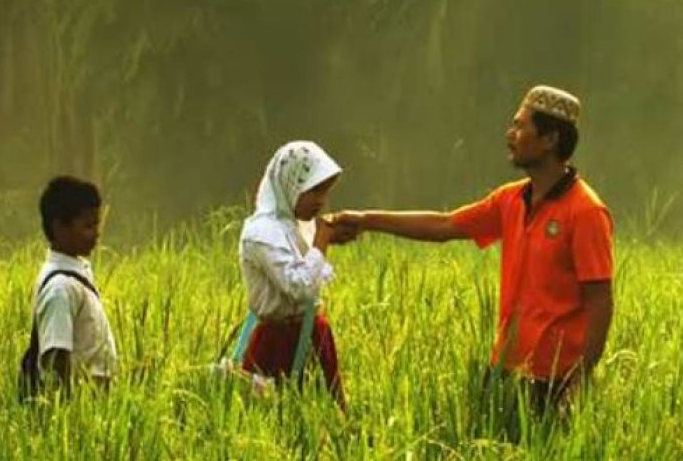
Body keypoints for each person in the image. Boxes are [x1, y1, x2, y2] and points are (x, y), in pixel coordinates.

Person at [333, 86, 614, 414]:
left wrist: (579, 381)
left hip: (555, 379)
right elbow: (443, 225)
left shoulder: (586, 212)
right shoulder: (510, 200)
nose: (510, 134)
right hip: (504, 370)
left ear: (550, 138)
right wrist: (366, 220)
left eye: (521, 126)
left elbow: (600, 302)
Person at [239, 141, 355, 410]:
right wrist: (324, 239)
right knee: (276, 417)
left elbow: (306, 262)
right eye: (314, 190)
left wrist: (330, 238)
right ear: (291, 185)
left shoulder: (292, 226)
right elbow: (299, 286)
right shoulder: (262, 234)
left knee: (328, 418)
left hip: (312, 333)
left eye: (325, 192)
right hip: (278, 342)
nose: (321, 200)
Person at [33, 176, 117, 394]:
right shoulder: (60, 289)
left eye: (97, 224)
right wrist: (68, 417)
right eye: (88, 226)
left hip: (98, 403)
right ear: (60, 227)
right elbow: (56, 359)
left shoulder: (77, 273)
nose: (97, 233)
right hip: (82, 405)